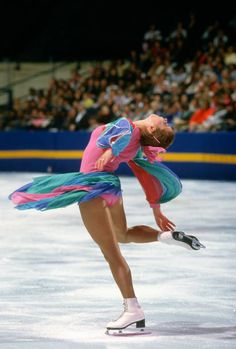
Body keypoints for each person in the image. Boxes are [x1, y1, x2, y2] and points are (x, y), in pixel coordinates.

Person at [9, 114, 205, 334]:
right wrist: (156, 209)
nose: (165, 119)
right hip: (110, 184)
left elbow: (119, 136)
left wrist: (111, 151)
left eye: (164, 124)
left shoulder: (128, 127)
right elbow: (144, 174)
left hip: (92, 185)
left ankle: (132, 310)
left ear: (151, 128)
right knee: (122, 235)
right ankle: (165, 237)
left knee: (111, 253)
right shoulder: (137, 145)